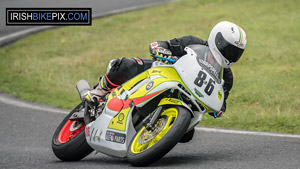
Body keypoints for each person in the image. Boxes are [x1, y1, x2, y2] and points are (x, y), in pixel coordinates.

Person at [81, 21, 247, 142]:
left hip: (186, 100)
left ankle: (150, 138)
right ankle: (99, 91)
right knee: (127, 64)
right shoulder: (192, 42)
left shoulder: (227, 77)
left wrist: (219, 109)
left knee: (187, 135)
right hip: (159, 74)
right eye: (228, 48)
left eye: (235, 52)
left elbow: (222, 101)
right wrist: (165, 54)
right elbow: (159, 45)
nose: (230, 54)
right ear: (216, 39)